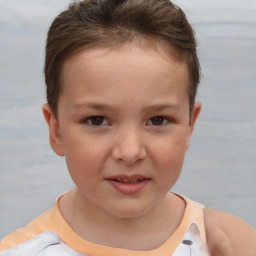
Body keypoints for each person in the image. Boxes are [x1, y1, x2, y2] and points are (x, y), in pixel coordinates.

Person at [0, 0, 255, 255]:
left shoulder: (235, 245)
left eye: (158, 120)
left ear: (189, 126)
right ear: (56, 131)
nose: (130, 151)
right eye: (96, 120)